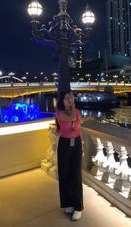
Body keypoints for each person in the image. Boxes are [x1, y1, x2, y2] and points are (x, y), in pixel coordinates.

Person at [55, 90, 84, 221]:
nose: (70, 100)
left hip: (76, 144)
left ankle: (78, 207)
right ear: (62, 100)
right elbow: (71, 118)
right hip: (65, 144)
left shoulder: (78, 111)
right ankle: (68, 203)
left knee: (76, 176)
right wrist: (71, 106)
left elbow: (79, 128)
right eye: (67, 98)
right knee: (65, 174)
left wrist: (81, 145)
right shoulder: (59, 113)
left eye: (72, 98)